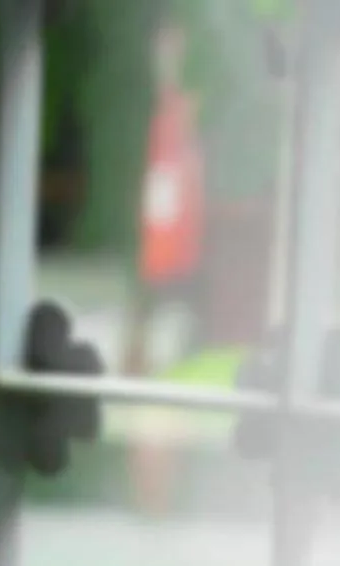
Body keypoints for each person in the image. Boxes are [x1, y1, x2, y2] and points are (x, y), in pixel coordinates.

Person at [131, 16, 206, 377]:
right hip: (166, 182)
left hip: (175, 182)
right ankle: (139, 348)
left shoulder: (182, 102)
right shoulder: (166, 105)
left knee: (173, 268)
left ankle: (155, 346)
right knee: (157, 269)